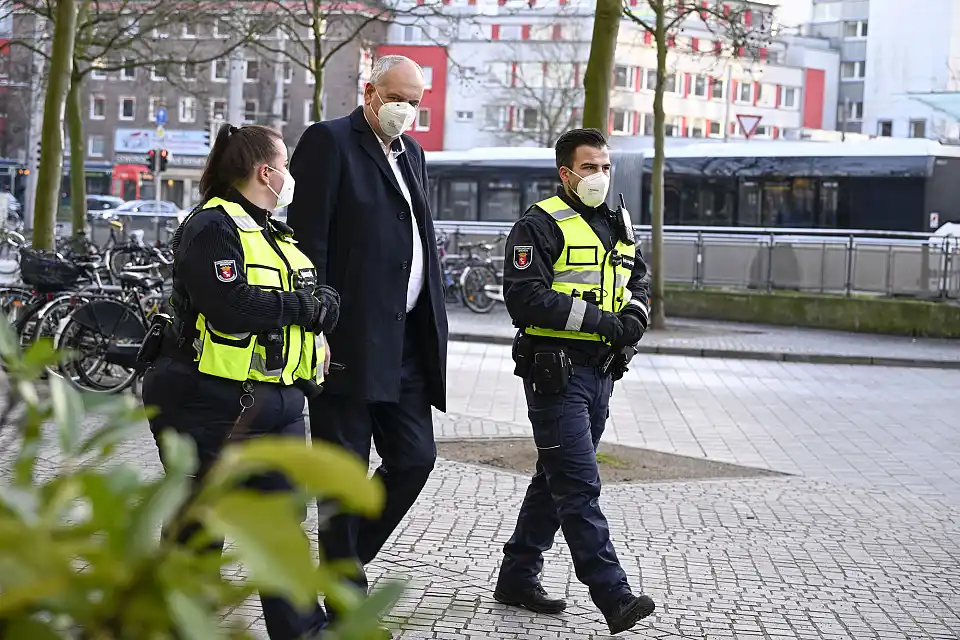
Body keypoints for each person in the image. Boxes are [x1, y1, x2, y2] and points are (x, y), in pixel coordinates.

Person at [140, 123, 340, 640]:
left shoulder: (275, 232)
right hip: (210, 404)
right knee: (198, 526)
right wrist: (306, 308)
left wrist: (321, 305)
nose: (290, 175)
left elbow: (314, 296)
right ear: (265, 172)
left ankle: (304, 632)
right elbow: (230, 306)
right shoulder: (212, 226)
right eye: (285, 165)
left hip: (278, 401)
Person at [286, 54, 448, 626]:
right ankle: (348, 604)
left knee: (415, 458)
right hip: (348, 342)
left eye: (414, 102)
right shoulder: (328, 142)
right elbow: (308, 243)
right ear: (369, 92)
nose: (405, 110)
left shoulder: (413, 153)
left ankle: (342, 565)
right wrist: (318, 327)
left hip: (406, 343)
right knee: (343, 475)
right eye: (396, 98)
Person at [494, 128, 657, 635]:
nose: (599, 176)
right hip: (556, 373)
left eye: (605, 167)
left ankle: (517, 577)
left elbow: (638, 279)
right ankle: (615, 596)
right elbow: (526, 298)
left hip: (602, 373)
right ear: (566, 173)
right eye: (589, 168)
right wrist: (606, 324)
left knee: (554, 478)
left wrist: (636, 316)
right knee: (578, 485)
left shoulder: (618, 221)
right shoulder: (538, 224)